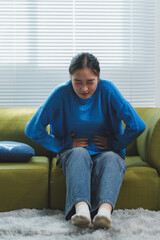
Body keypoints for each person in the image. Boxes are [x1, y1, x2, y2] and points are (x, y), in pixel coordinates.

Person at [25, 52, 146, 229]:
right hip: (72, 154)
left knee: (111, 157)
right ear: (70, 78)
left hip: (106, 152)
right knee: (79, 153)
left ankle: (104, 213)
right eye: (77, 82)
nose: (84, 88)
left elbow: (137, 125)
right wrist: (63, 144)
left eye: (90, 82)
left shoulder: (108, 90)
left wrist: (114, 143)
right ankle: (82, 211)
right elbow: (32, 129)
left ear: (98, 77)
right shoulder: (60, 94)